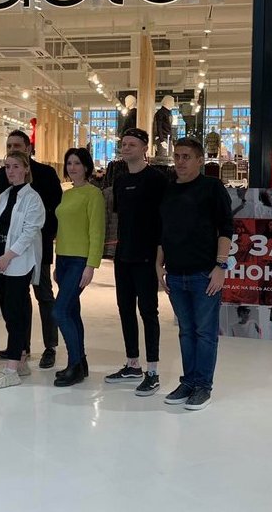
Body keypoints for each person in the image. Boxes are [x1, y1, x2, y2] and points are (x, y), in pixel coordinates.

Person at [157, 137, 233, 411]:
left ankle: (203, 386)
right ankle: (188, 382)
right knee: (186, 332)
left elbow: (226, 228)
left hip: (204, 274)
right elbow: (163, 232)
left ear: (200, 160)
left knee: (205, 333)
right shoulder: (168, 190)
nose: (180, 161)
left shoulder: (212, 188)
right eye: (177, 156)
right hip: (176, 275)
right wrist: (159, 265)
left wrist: (220, 267)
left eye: (186, 157)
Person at [106, 128, 167, 397]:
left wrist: (160, 258)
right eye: (124, 144)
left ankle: (152, 371)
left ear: (145, 148)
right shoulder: (120, 180)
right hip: (123, 255)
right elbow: (120, 217)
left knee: (148, 311)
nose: (126, 148)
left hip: (146, 256)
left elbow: (163, 220)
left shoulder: (157, 179)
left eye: (132, 144)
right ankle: (133, 364)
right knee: (125, 309)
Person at [0, 130, 62, 369]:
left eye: (17, 145)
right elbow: (3, 216)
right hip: (8, 251)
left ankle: (50, 346)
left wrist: (43, 237)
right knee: (15, 299)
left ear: (28, 148)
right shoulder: (3, 178)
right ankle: (20, 346)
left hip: (36, 246)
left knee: (43, 294)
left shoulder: (46, 174)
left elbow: (54, 210)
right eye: (9, 146)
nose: (12, 149)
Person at [0, 151, 46, 389]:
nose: (11, 171)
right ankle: (19, 359)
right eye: (8, 167)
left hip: (18, 263)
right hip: (0, 262)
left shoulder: (33, 198)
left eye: (15, 166)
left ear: (26, 169)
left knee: (17, 312)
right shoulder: (5, 196)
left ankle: (11, 368)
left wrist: (8, 256)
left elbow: (29, 233)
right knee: (8, 312)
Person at [52, 148, 105, 388]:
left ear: (86, 167)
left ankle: (75, 364)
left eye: (77, 163)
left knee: (60, 311)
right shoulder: (67, 194)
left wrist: (91, 265)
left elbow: (97, 231)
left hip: (79, 261)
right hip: (63, 259)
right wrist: (57, 262)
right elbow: (63, 230)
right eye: (69, 163)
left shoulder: (93, 194)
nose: (72, 167)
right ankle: (80, 362)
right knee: (72, 311)